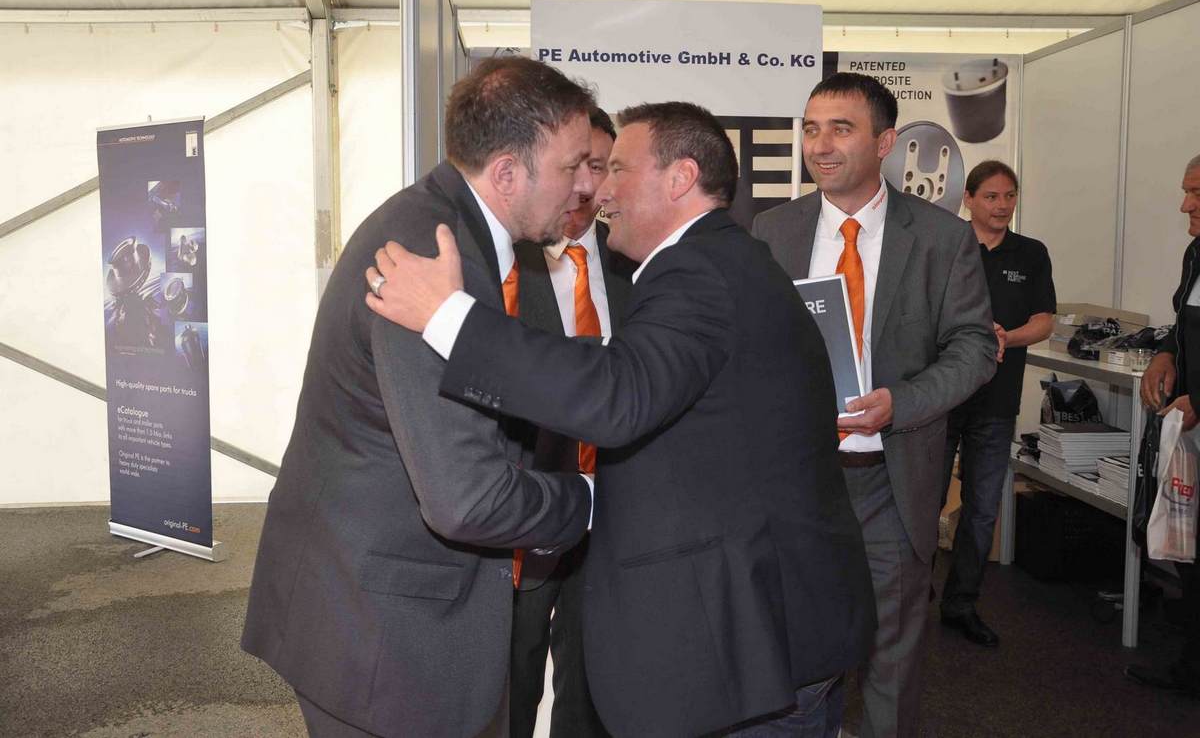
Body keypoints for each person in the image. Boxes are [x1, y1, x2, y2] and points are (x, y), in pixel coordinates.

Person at [366, 101, 876, 738]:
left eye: (618, 170)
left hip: (753, 656)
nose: (599, 191)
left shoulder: (697, 271)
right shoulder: (726, 262)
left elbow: (618, 396)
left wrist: (447, 317)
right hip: (772, 635)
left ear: (681, 178)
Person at [240, 56, 598, 738]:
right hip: (382, 640)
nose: (587, 185)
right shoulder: (430, 257)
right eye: (573, 165)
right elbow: (467, 497)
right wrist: (587, 501)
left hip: (372, 605)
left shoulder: (456, 230)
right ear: (507, 173)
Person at [751, 72, 997, 738]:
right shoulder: (773, 230)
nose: (820, 145)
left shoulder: (942, 238)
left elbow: (975, 347)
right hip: (800, 482)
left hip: (892, 478)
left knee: (891, 658)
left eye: (841, 129)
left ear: (885, 142)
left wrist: (902, 402)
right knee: (796, 655)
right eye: (810, 129)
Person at [508, 106, 632, 738]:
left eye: (601, 167)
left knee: (592, 694)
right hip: (525, 515)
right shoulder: (506, 263)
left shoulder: (635, 265)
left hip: (613, 518)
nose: (586, 184)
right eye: (577, 165)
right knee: (511, 685)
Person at [938, 161, 1055, 647]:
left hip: (998, 401)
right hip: (942, 397)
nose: (1002, 205)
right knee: (924, 502)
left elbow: (1045, 320)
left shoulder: (1031, 253)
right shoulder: (946, 245)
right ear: (968, 199)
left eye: (1010, 196)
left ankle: (961, 604)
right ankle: (910, 599)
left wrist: (1009, 336)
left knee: (983, 508)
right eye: (991, 196)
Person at [1126, 152, 1200, 696]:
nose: (1184, 205)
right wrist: (1165, 354)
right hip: (1189, 429)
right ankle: (1190, 670)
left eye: (1197, 194)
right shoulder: (1196, 252)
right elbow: (1183, 322)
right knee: (1189, 548)